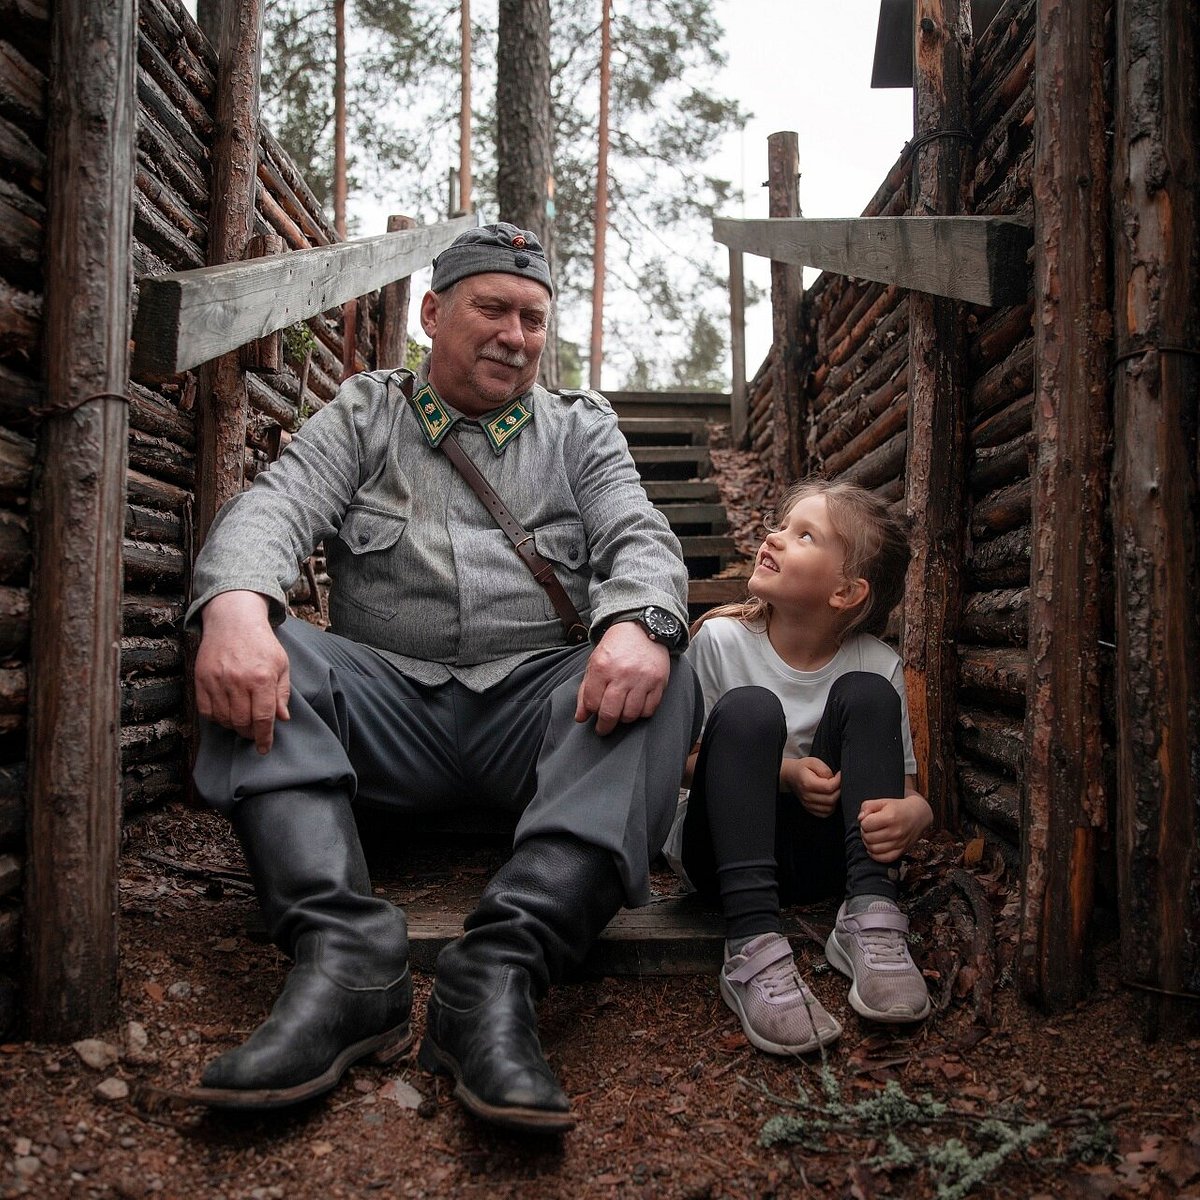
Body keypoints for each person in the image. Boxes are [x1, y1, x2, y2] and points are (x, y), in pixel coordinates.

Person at [185, 222, 699, 1132]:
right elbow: (277, 505)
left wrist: (638, 622)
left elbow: (638, 534)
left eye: (533, 318)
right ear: (431, 313)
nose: (515, 334)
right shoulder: (365, 412)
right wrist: (232, 601)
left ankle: (495, 978)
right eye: (492, 309)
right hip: (388, 712)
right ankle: (343, 966)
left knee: (663, 663)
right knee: (264, 640)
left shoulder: (580, 429)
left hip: (535, 718)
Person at [663, 478, 932, 1056]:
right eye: (782, 525)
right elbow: (681, 766)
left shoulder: (878, 664)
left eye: (803, 535)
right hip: (722, 862)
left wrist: (916, 814)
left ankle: (870, 913)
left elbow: (906, 794)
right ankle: (752, 944)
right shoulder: (721, 642)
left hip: (825, 862)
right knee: (751, 711)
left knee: (866, 695)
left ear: (846, 592)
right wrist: (786, 772)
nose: (775, 537)